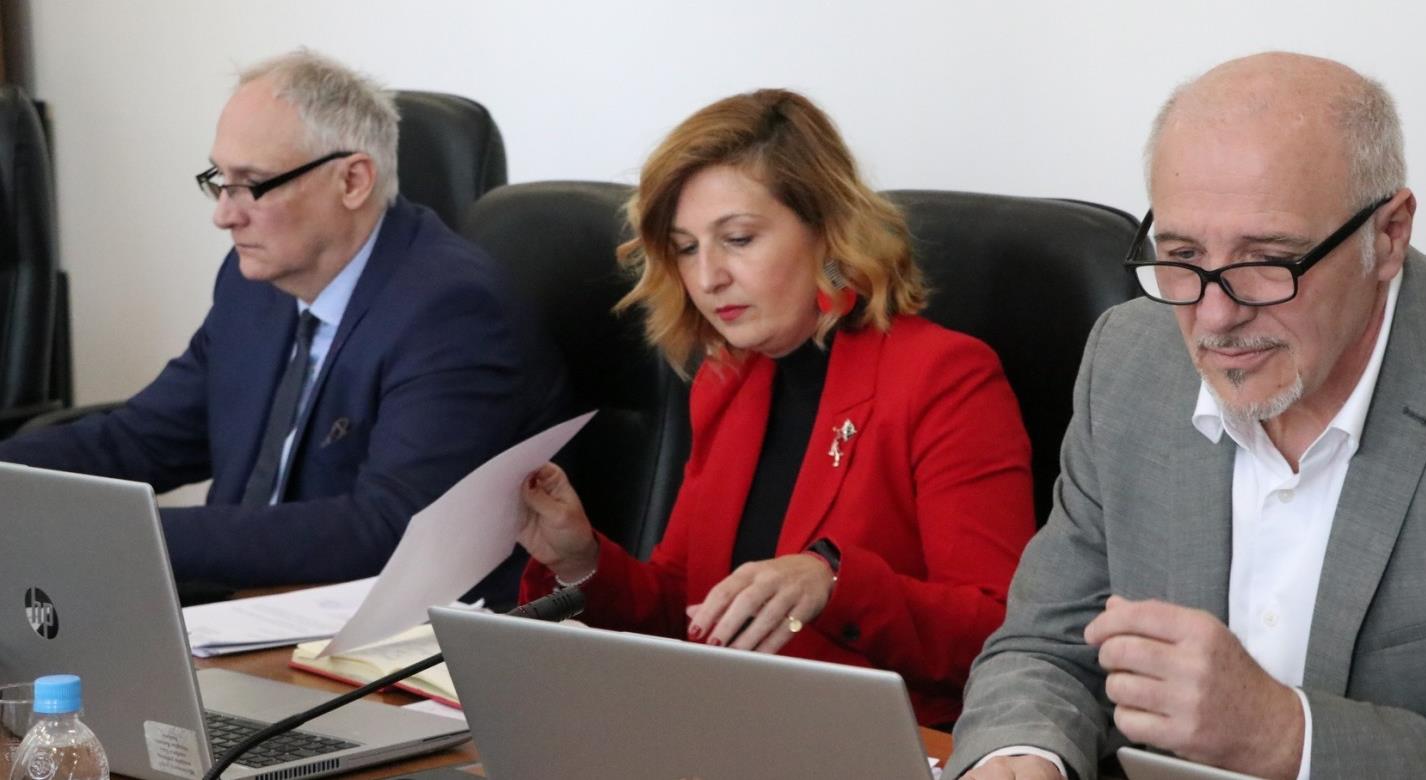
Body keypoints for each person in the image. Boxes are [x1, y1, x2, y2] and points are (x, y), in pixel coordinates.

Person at [950, 52, 1426, 779]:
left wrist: (1286, 736)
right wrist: (1020, 753)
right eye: (1182, 254)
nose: (1214, 317)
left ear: (1388, 236)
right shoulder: (1129, 360)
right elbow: (1047, 646)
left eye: (1266, 261)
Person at [515, 88, 1035, 727]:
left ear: (827, 230)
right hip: (729, 731)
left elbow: (1001, 634)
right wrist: (580, 560)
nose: (708, 277)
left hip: (876, 740)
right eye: (686, 248)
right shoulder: (727, 378)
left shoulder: (943, 377)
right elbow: (686, 608)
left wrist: (833, 582)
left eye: (737, 239)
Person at [0, 50, 568, 600]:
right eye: (219, 180)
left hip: (372, 629)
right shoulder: (256, 282)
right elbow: (145, 438)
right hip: (240, 606)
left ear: (353, 181)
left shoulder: (450, 308)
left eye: (252, 183)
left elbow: (390, 526)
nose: (224, 214)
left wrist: (125, 535)